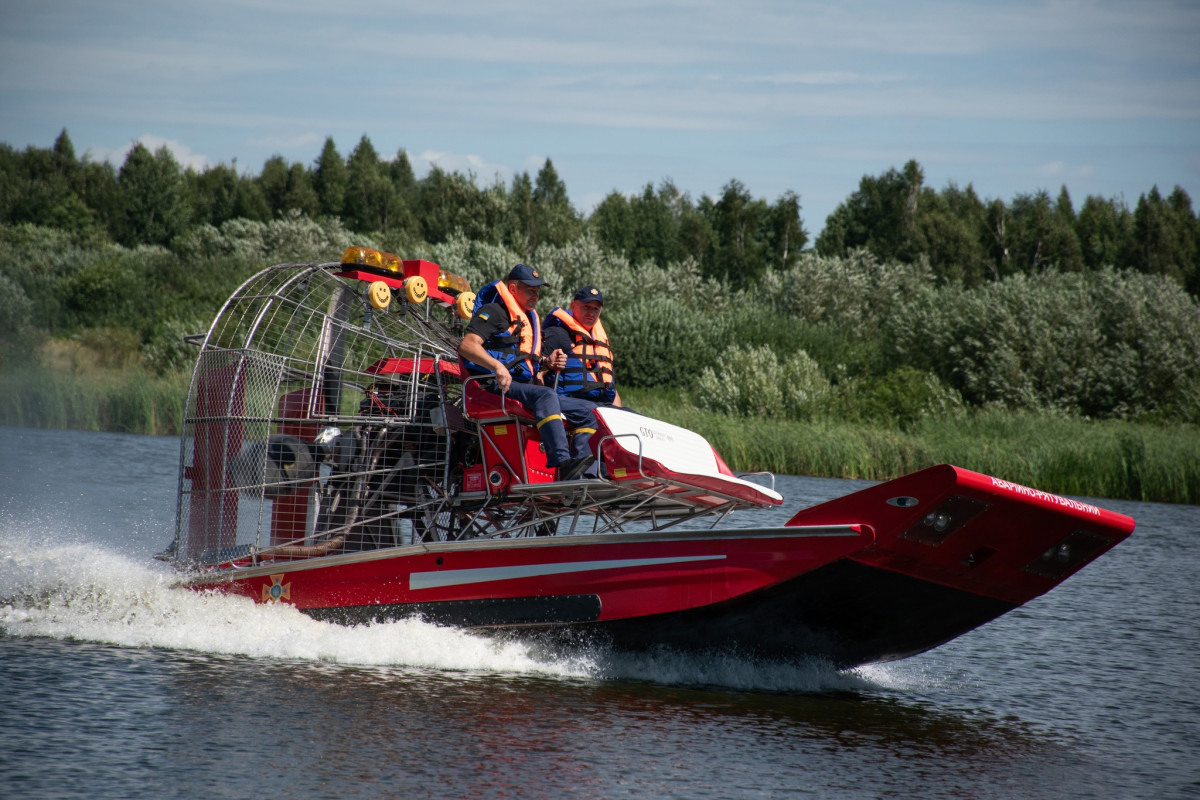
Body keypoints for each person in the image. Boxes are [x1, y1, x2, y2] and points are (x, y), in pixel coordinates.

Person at [458, 264, 596, 482]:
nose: (536, 295)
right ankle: (563, 462)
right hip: (494, 386)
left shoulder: (527, 317)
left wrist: (547, 362)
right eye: (530, 290)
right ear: (513, 288)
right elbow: (467, 346)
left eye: (538, 291)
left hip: (521, 386)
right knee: (546, 395)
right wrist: (497, 367)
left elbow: (525, 359)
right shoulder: (494, 312)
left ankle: (587, 473)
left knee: (588, 413)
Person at [542, 285, 622, 408]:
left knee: (638, 420)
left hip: (602, 406)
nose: (591, 312)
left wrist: (619, 414)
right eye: (586, 307)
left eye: (596, 309)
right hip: (570, 405)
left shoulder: (600, 342)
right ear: (573, 305)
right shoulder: (556, 333)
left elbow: (611, 388)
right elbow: (537, 374)